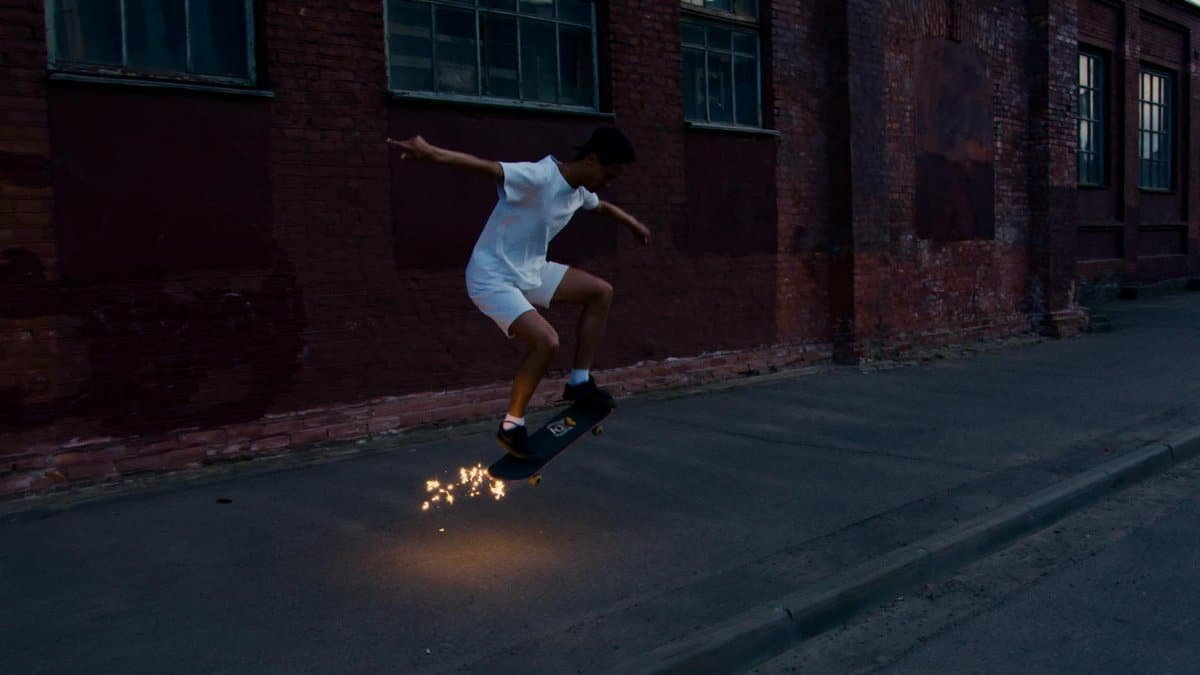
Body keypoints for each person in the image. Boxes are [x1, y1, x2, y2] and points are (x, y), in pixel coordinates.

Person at [386, 127, 651, 458]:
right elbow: (487, 167)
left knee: (601, 292)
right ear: (592, 159)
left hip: (529, 270)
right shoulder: (540, 176)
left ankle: (579, 383)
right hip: (492, 276)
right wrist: (431, 152)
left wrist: (634, 224)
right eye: (608, 174)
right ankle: (511, 426)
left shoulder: (579, 190)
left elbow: (603, 208)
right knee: (546, 341)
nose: (608, 183)